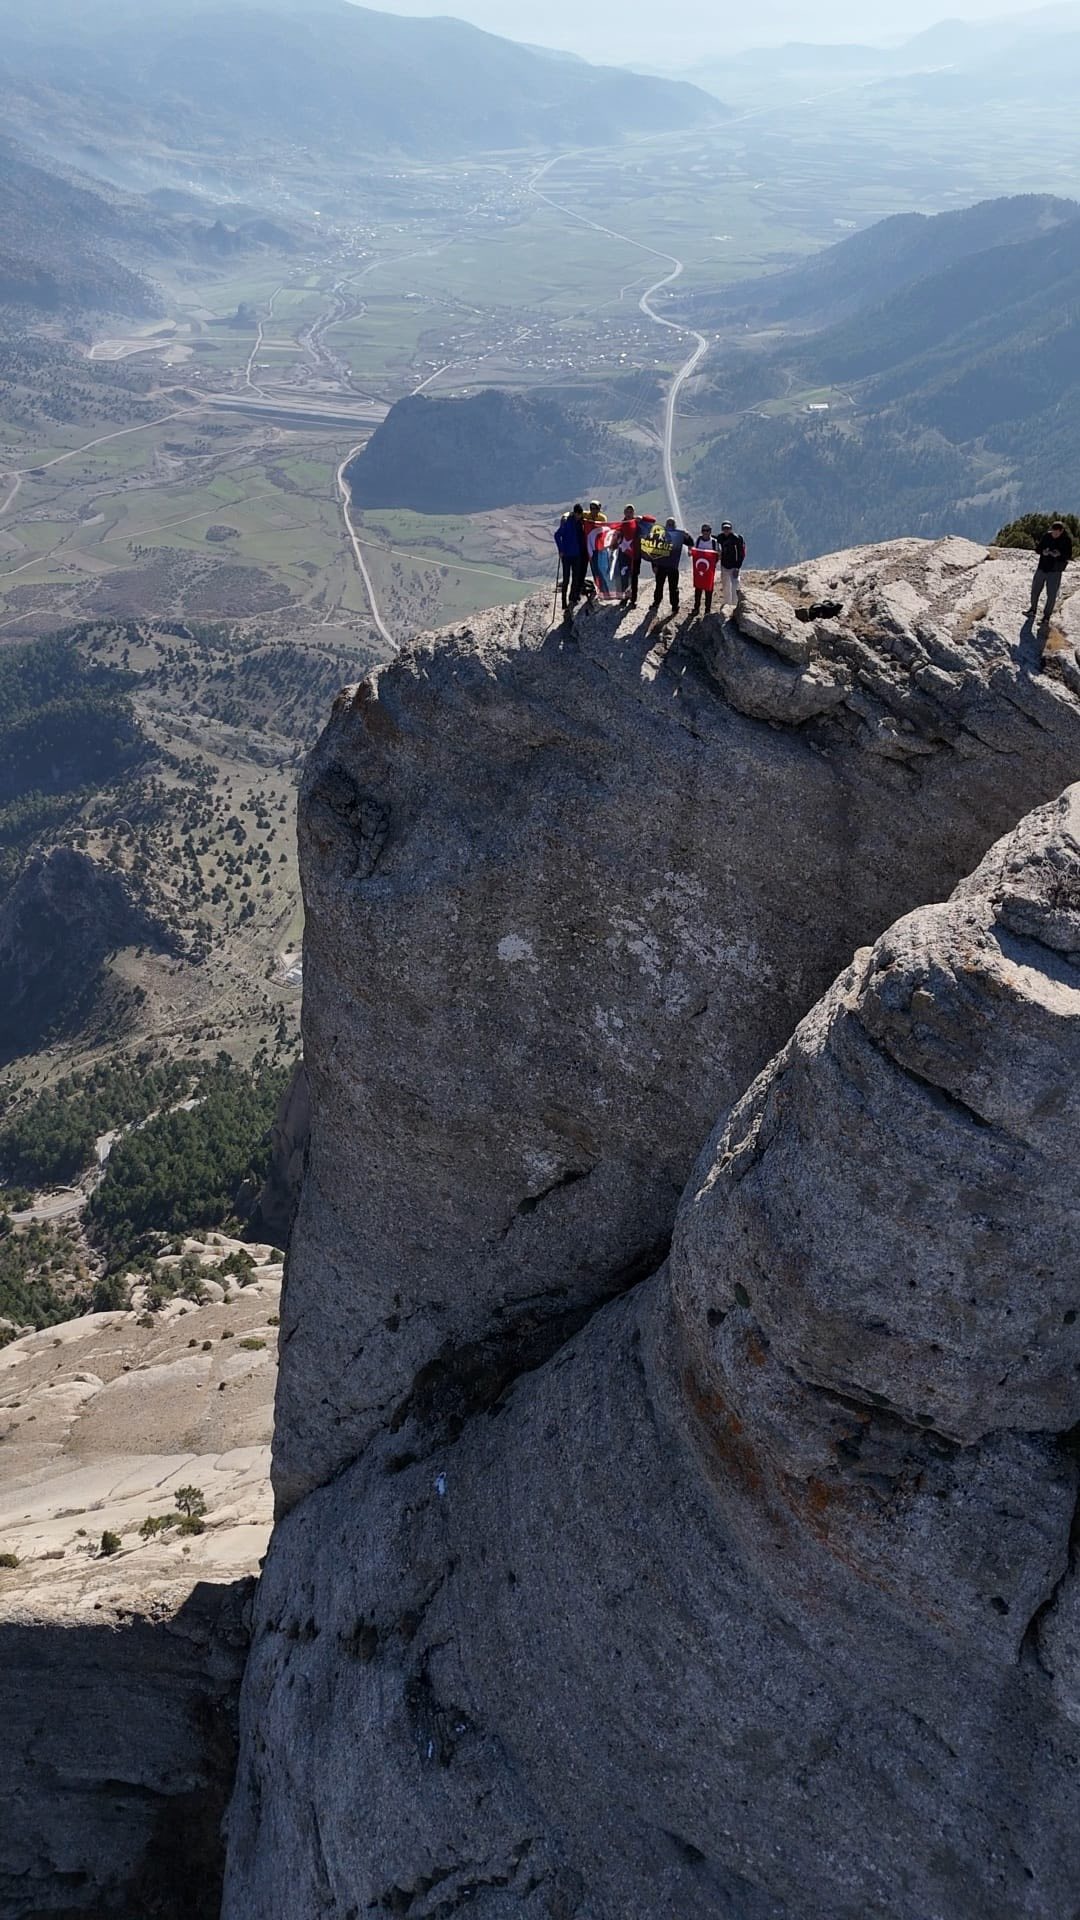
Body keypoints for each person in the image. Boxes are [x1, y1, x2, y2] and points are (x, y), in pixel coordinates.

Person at [1028, 519, 1072, 634]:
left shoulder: (1066, 540)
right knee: (1035, 590)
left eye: (1057, 532)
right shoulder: (1047, 537)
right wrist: (1043, 552)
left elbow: (1068, 555)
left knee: (1051, 595)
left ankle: (1046, 617)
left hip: (1055, 571)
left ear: (1061, 531)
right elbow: (1037, 549)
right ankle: (1032, 610)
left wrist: (1059, 554)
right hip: (1042, 567)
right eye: (1053, 531)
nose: (1054, 534)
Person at [650, 516, 693, 615]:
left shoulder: (679, 535)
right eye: (669, 524)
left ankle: (674, 606)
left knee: (673, 588)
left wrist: (687, 535)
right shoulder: (660, 535)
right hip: (661, 566)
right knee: (659, 586)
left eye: (672, 524)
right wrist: (654, 565)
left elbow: (691, 542)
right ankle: (656, 602)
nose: (670, 525)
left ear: (675, 525)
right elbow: (653, 551)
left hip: (673, 567)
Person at [554, 504, 585, 615]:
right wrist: (561, 550)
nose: (579, 516)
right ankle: (563, 602)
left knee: (575, 577)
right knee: (566, 579)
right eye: (577, 514)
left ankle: (572, 598)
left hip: (576, 554)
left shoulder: (580, 522)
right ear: (575, 513)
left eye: (580, 515)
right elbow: (557, 535)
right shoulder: (567, 522)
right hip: (567, 555)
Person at [613, 504, 642, 606]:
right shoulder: (621, 524)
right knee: (624, 576)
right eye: (627, 512)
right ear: (624, 513)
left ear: (633, 512)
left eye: (631, 512)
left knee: (634, 577)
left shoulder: (638, 523)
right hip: (624, 555)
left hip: (636, 555)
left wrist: (642, 518)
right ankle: (625, 597)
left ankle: (633, 599)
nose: (629, 514)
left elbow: (652, 520)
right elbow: (616, 537)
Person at [691, 523, 720, 616]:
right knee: (698, 588)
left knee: (709, 589)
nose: (705, 532)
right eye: (703, 530)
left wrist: (714, 563)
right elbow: (694, 551)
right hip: (699, 569)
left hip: (709, 570)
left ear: (710, 531)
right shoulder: (698, 540)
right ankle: (696, 608)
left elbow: (718, 554)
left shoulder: (714, 542)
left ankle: (707, 610)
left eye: (707, 530)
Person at [718, 521, 746, 609]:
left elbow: (741, 553)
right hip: (724, 565)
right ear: (722, 529)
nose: (726, 530)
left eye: (728, 528)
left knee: (735, 585)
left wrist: (738, 567)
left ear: (731, 529)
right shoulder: (720, 538)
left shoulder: (736, 538)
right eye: (725, 528)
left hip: (734, 566)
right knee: (725, 585)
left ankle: (735, 605)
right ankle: (727, 604)